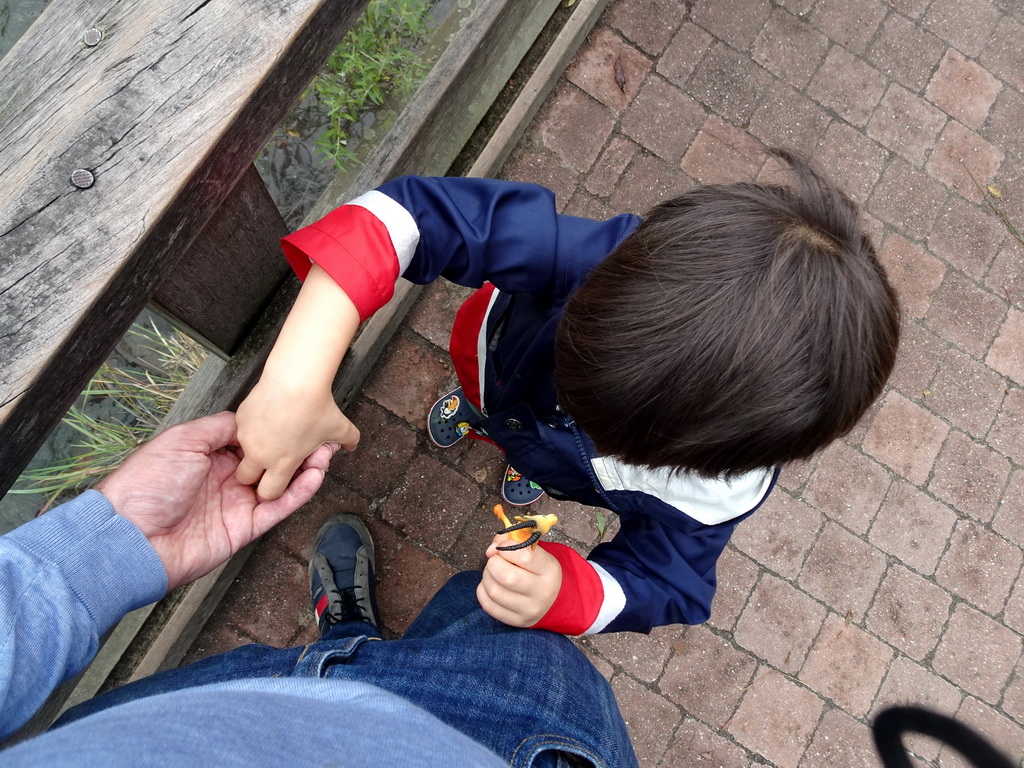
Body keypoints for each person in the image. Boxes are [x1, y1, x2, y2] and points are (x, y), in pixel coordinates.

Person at [234, 150, 901, 636]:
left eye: (618, 432)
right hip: (496, 370)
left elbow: (669, 583)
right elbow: (416, 214)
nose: (586, 412)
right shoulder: (604, 259)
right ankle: (481, 420)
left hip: (555, 446)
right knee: (486, 407)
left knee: (535, 456)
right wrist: (297, 373)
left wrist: (568, 591)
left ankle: (521, 459)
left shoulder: (718, 489)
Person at [0, 412, 639, 767]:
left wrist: (115, 546)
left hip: (199, 715)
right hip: (511, 740)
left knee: (481, 612)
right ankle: (353, 640)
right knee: (502, 630)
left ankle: (348, 636)